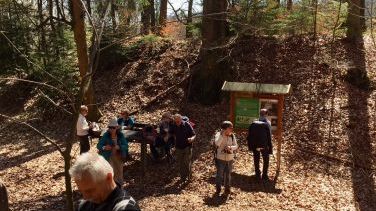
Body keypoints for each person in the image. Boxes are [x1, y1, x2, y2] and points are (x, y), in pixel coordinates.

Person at [69, 152, 140, 211]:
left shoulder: (125, 208)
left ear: (108, 178)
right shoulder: (84, 205)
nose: (85, 197)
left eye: (90, 191)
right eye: (81, 192)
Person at [97, 118, 128, 184]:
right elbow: (99, 145)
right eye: (110, 127)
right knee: (111, 172)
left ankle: (120, 188)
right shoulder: (106, 135)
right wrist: (104, 147)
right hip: (109, 156)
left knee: (119, 172)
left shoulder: (120, 135)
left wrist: (119, 147)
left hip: (119, 156)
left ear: (116, 128)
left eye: (113, 127)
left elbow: (126, 146)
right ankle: (112, 188)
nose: (112, 129)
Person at [247, 108, 273, 181]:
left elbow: (250, 135)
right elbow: (269, 135)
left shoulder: (254, 122)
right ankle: (264, 175)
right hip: (264, 144)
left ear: (259, 114)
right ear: (266, 114)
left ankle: (257, 174)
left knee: (256, 158)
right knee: (266, 159)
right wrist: (270, 146)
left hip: (255, 144)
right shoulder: (267, 123)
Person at [214, 121, 238, 196]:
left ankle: (227, 190)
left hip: (230, 158)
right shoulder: (219, 134)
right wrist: (222, 135)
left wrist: (230, 147)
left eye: (232, 127)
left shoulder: (232, 136)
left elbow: (236, 146)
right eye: (230, 128)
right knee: (219, 175)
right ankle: (218, 190)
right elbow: (217, 143)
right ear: (225, 128)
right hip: (220, 158)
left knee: (228, 175)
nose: (232, 129)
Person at [170, 114, 196, 182]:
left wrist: (191, 139)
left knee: (186, 162)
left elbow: (194, 134)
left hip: (187, 146)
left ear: (181, 119)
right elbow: (171, 133)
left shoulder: (187, 125)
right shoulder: (174, 126)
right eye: (176, 122)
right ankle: (183, 178)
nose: (177, 123)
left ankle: (189, 177)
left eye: (178, 121)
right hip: (178, 147)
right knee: (181, 163)